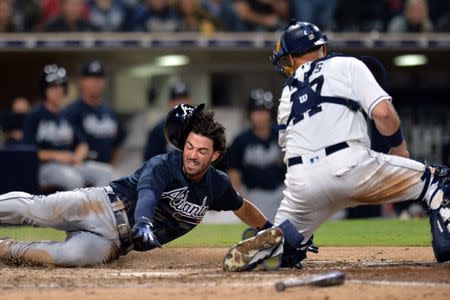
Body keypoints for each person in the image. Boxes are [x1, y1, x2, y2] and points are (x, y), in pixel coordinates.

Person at [223, 21, 450, 272]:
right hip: (352, 166)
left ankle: (282, 245)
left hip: (302, 184)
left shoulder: (288, 91)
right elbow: (384, 114)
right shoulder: (348, 64)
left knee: (290, 245)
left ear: (291, 57)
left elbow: (287, 148)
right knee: (439, 180)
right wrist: (398, 149)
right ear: (322, 48)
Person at [0, 103, 271, 267]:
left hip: (117, 244)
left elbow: (241, 206)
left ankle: (5, 249)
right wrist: (143, 222)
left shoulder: (217, 185)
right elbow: (148, 194)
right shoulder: (164, 164)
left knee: (67, 257)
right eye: (189, 146)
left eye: (201, 151)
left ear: (215, 156)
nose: (192, 154)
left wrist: (271, 231)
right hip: (103, 206)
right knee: (38, 209)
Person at [22, 64, 114, 191]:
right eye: (53, 87)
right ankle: (77, 211)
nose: (58, 91)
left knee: (106, 172)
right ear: (44, 90)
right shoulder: (34, 115)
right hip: (45, 167)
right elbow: (29, 152)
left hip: (70, 164)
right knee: (73, 179)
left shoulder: (66, 114)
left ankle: (100, 210)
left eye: (61, 86)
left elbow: (82, 143)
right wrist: (58, 155)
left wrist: (78, 156)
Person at [226, 89, 285, 222]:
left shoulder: (282, 136)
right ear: (250, 114)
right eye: (256, 111)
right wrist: (242, 201)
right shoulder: (241, 140)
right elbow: (234, 174)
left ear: (270, 114)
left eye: (264, 111)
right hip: (252, 195)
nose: (260, 116)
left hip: (282, 193)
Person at [63, 60, 125, 167]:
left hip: (105, 170)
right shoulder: (70, 111)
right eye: (91, 78)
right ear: (82, 81)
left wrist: (112, 166)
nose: (96, 83)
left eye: (100, 78)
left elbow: (118, 144)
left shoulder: (110, 112)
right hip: (79, 169)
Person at [143, 82, 192, 161]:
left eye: (184, 99)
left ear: (190, 101)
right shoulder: (159, 129)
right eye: (177, 100)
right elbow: (150, 161)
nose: (181, 104)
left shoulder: (199, 127)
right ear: (170, 103)